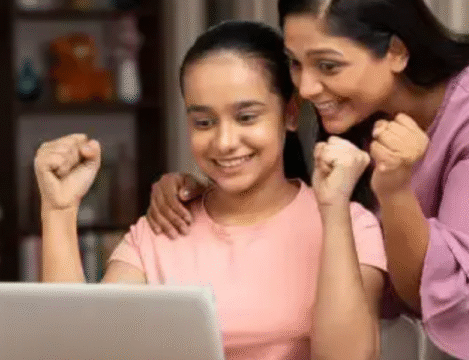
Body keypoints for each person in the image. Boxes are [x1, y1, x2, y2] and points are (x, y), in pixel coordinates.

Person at [146, 1, 469, 359]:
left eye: (328, 65)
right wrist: (204, 193)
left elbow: (439, 294)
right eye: (296, 64)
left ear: (397, 52)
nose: (306, 87)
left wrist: (395, 192)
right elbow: (304, 214)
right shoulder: (361, 113)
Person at [34, 20, 387, 360]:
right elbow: (80, 350)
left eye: (247, 117)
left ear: (290, 114)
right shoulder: (161, 229)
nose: (224, 142)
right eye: (204, 122)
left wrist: (334, 208)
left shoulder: (351, 225)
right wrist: (59, 211)